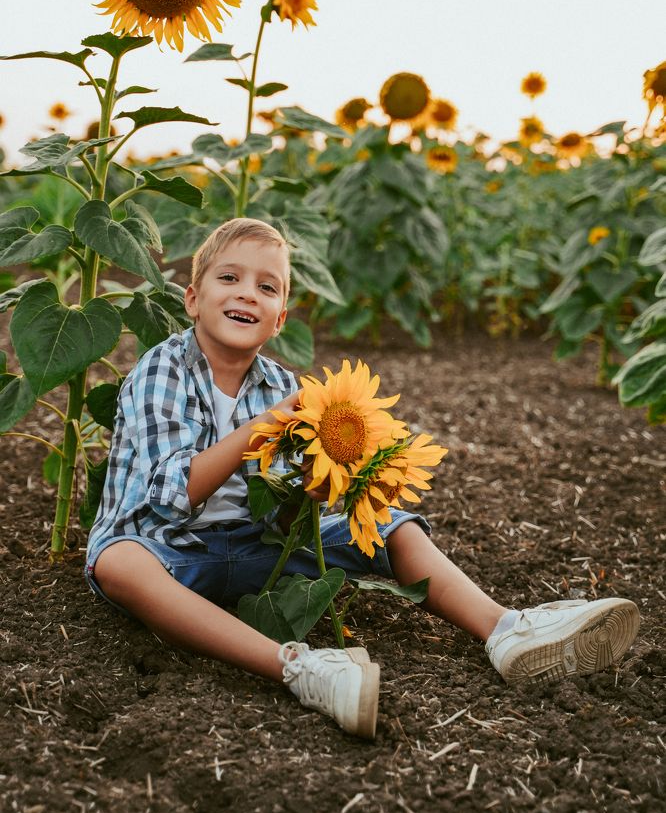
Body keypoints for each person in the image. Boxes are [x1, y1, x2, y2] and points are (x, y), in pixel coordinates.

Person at [86, 218, 640, 740]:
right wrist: (267, 426)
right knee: (119, 565)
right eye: (228, 278)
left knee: (391, 527)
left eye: (267, 287)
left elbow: (276, 509)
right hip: (170, 550)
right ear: (192, 299)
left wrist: (315, 485)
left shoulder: (282, 384)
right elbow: (170, 495)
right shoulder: (164, 369)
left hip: (257, 551)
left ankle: (506, 631)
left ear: (280, 318)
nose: (246, 293)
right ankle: (300, 669)